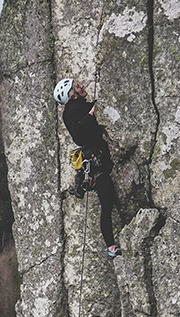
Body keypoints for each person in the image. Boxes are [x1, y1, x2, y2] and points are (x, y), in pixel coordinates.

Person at [53, 78, 121, 258]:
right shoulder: (71, 112)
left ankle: (111, 246)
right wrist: (91, 114)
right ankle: (111, 246)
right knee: (106, 203)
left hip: (99, 158)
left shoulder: (77, 106)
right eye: (77, 86)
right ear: (71, 94)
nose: (81, 86)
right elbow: (79, 134)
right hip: (95, 162)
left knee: (108, 202)